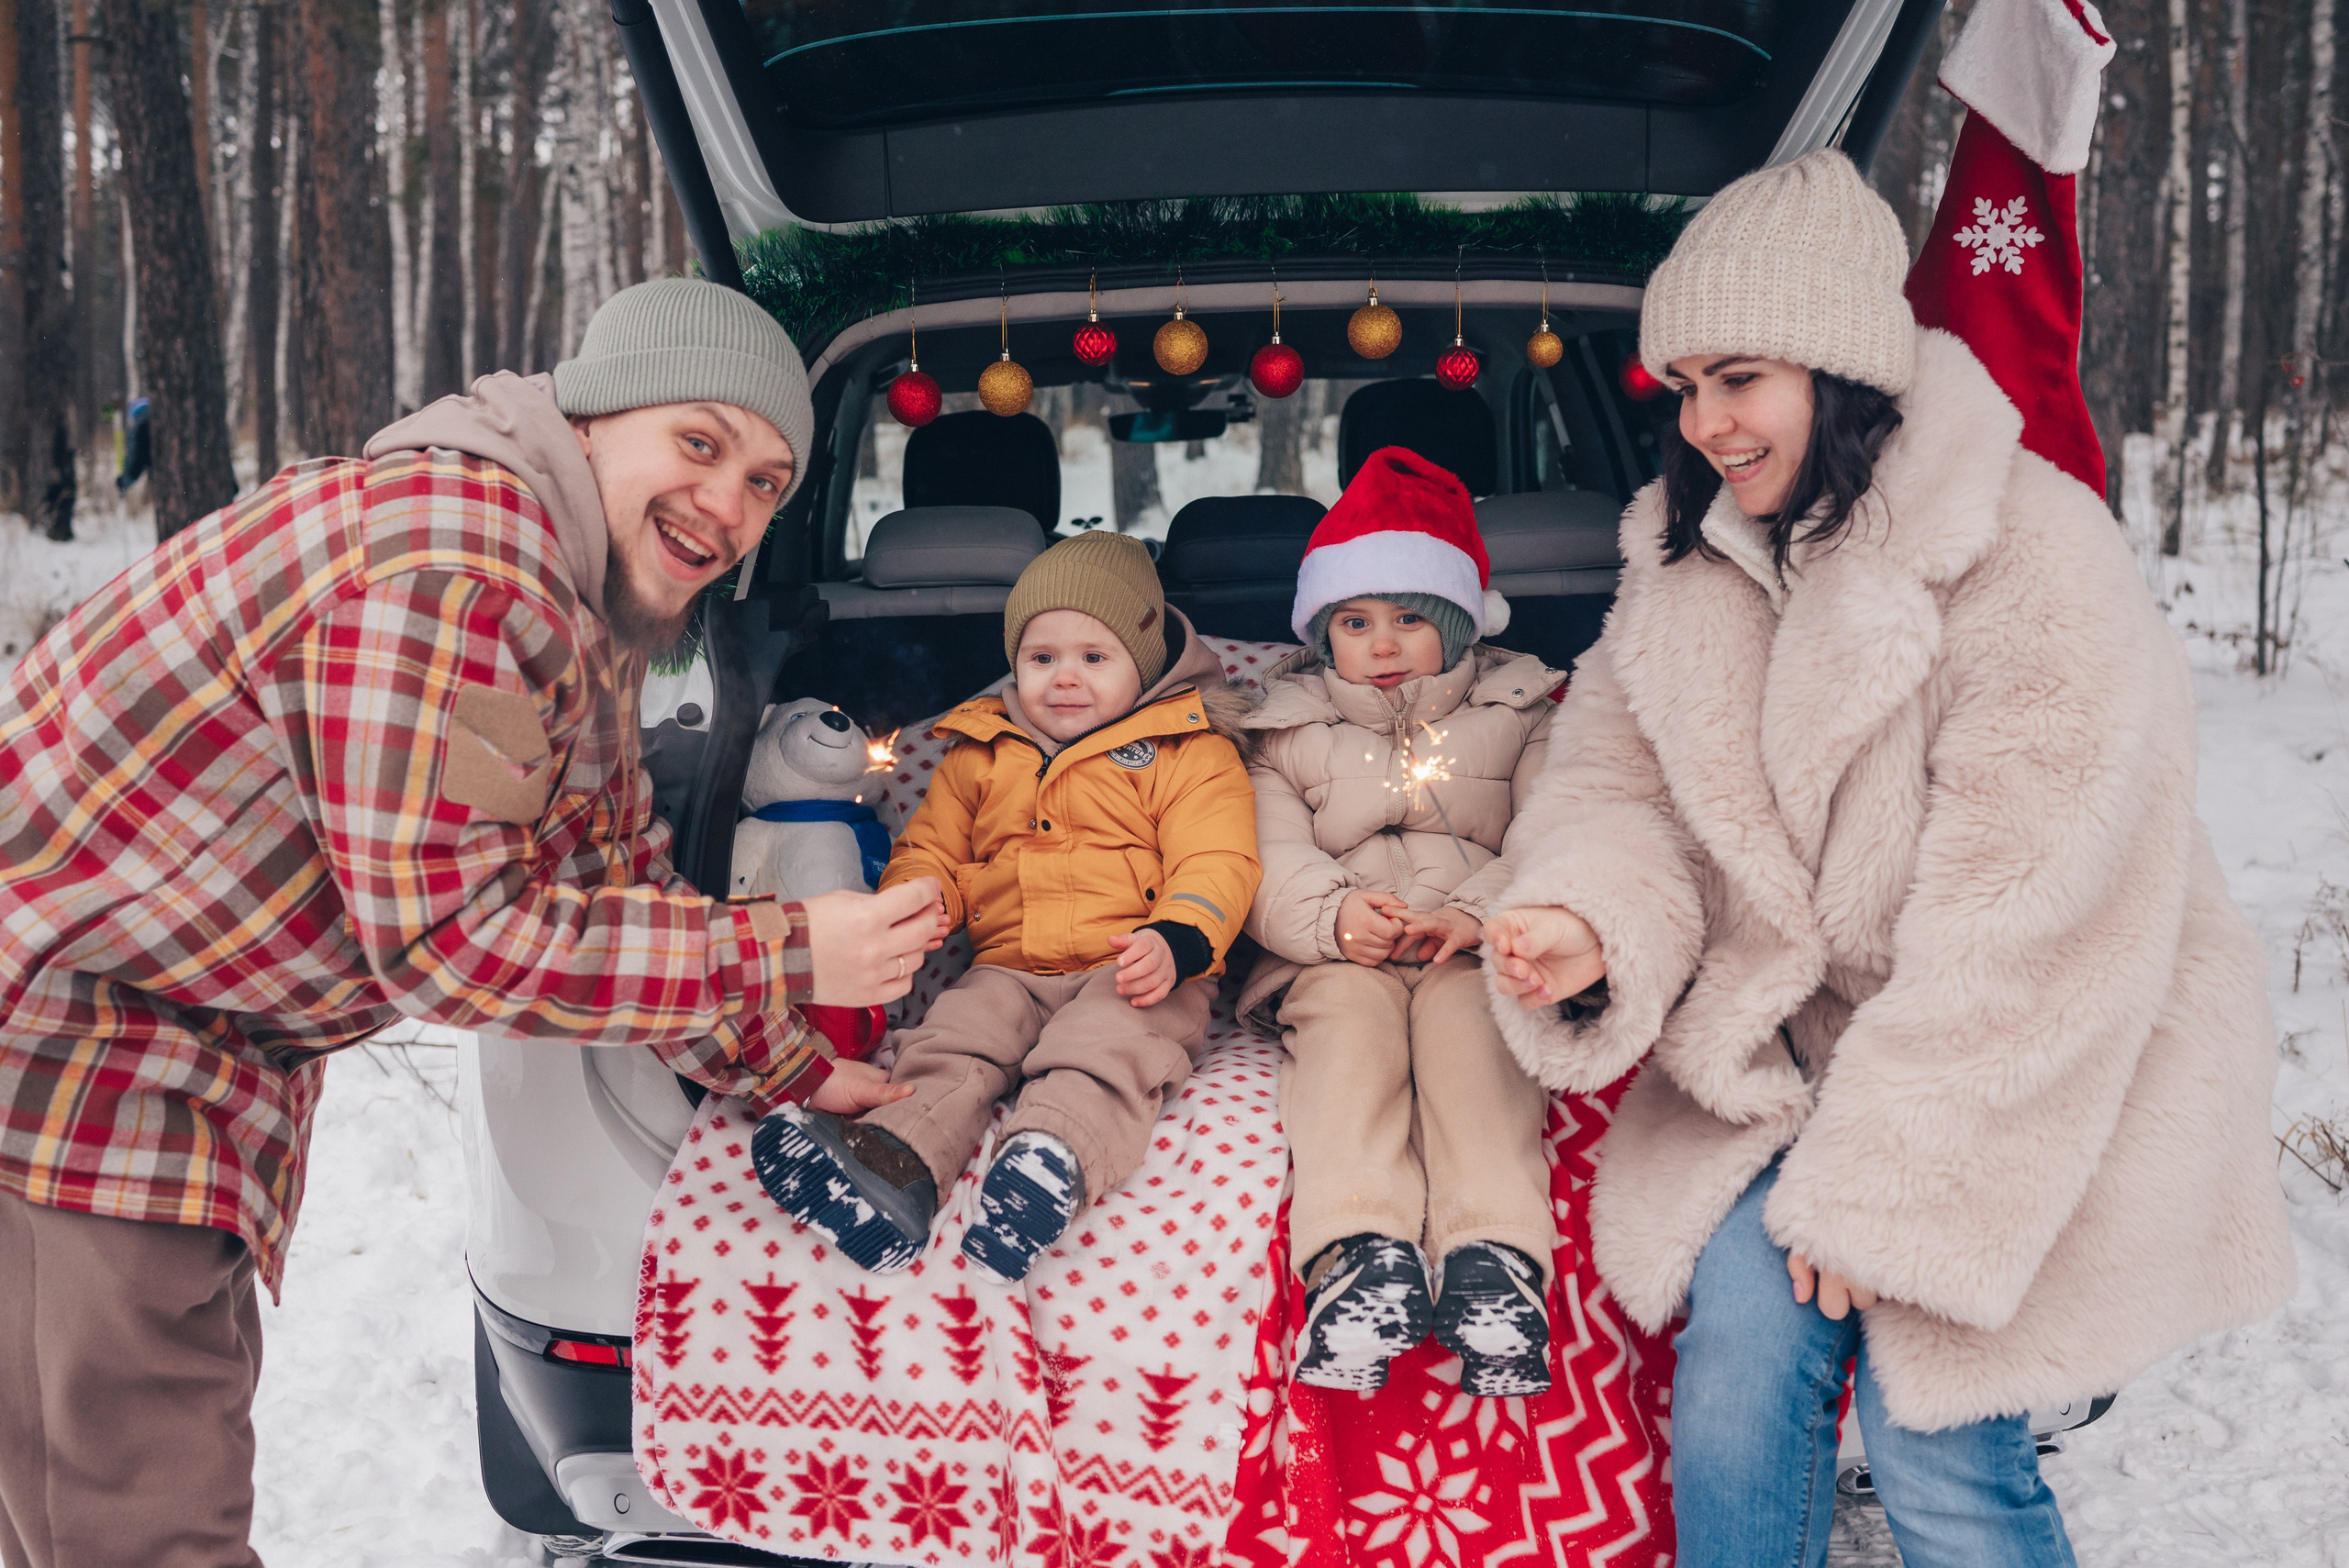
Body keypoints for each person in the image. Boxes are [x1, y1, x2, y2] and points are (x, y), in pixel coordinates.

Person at [0, 277, 941, 1568]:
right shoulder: (458, 570)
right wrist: (792, 947)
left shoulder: (570, 592)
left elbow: (604, 876)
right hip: (70, 1051)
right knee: (136, 1524)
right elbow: (455, 942)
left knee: (93, 1484)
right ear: (599, 414)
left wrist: (795, 1069)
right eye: (701, 444)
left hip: (167, 1044)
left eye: (770, 482)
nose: (729, 508)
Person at [1479, 150, 2293, 1568]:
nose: (1706, 423)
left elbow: (2039, 925)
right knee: (1737, 1354)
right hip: (1801, 1057)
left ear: (1838, 365)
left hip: (2039, 1069)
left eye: (1739, 377)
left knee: (1939, 1430)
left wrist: (1886, 1197)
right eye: (1682, 387)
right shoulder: (1680, 566)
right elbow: (1614, 786)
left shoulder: (2032, 549)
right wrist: (1589, 918)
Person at [752, 530, 1261, 1284]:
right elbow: (934, 848)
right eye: (1041, 657)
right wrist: (919, 896)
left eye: (1095, 657)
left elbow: (1217, 859)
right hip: (1009, 962)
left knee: (1106, 1048)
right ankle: (895, 1168)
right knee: (954, 1037)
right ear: (1014, 663)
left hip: (1138, 965)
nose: (1063, 678)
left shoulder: (1191, 748)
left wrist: (1181, 935)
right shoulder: (979, 749)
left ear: (1145, 665)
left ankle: (1046, 1161)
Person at [1232, 447, 1563, 1396]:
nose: (1381, 643)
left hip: (1474, 946)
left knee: (1475, 1039)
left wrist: (1477, 914)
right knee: (1345, 1034)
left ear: (1459, 622)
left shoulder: (1525, 708)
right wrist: (1336, 920)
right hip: (1335, 950)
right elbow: (1266, 856)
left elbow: (1554, 830)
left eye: (1410, 618)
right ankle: (1357, 1257)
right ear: (1321, 629)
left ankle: (1494, 1265)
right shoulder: (1280, 728)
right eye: (1355, 620)